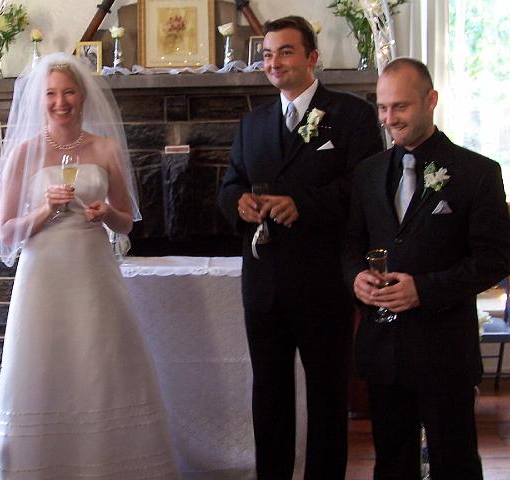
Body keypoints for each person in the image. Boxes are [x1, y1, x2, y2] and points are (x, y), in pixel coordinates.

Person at [0, 52, 180, 479]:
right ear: (40, 99)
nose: (60, 102)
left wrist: (106, 214)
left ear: (83, 95)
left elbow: (126, 220)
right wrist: (45, 210)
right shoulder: (24, 153)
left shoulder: (105, 148)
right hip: (43, 274)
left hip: (92, 270)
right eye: (51, 94)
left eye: (68, 92)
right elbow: (6, 232)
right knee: (46, 361)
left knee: (98, 359)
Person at [217, 15, 384, 480]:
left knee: (328, 396)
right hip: (264, 283)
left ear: (312, 57)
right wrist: (239, 203)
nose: (274, 62)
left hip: (323, 281)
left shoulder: (351, 116)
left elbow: (365, 189)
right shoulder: (252, 123)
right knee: (268, 394)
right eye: (267, 54)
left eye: (285, 52)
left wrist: (303, 205)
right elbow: (229, 184)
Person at [343, 57, 510, 479]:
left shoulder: (477, 172)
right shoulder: (367, 173)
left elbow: (495, 259)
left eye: (400, 107)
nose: (389, 119)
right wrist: (356, 278)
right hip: (383, 349)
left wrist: (424, 289)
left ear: (431, 100)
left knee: (455, 464)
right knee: (392, 464)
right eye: (383, 108)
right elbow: (350, 245)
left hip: (444, 349)